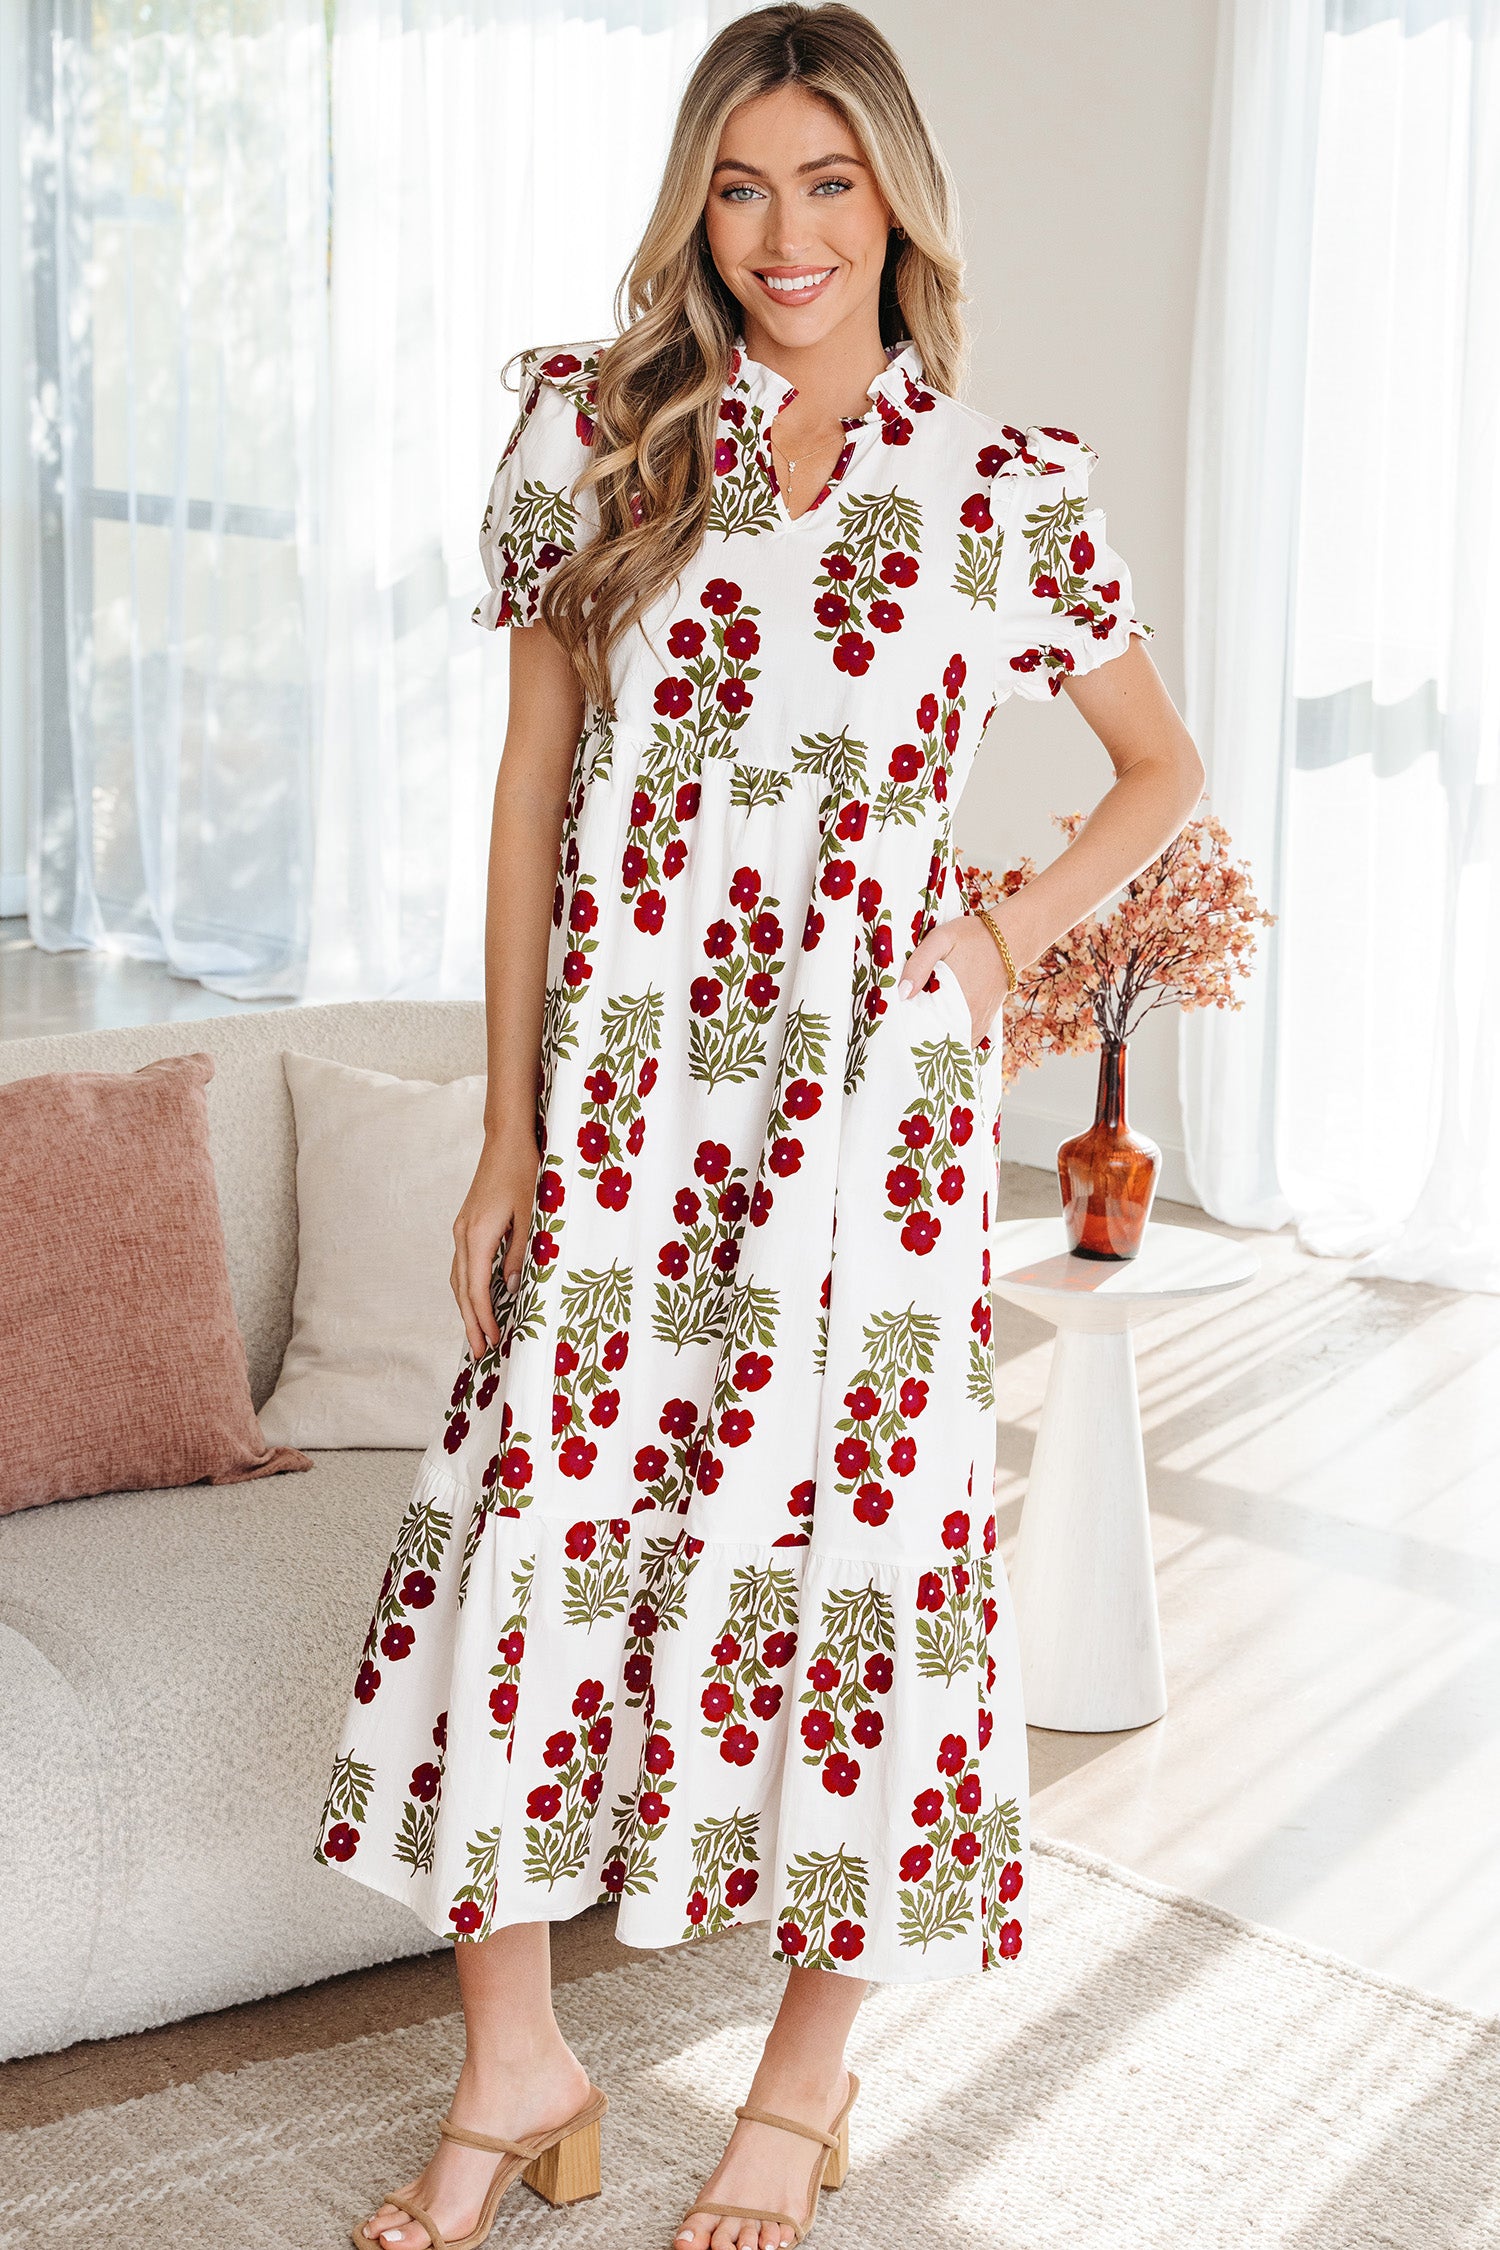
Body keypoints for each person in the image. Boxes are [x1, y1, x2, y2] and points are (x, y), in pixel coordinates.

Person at [320, 6, 1205, 2246]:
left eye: (827, 180)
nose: (786, 231)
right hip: (624, 1097)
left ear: (896, 194)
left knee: (865, 1560)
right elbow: (534, 789)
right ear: (693, 203)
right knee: (541, 1515)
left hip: (866, 1125)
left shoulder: (1004, 492)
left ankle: (806, 2083)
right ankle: (514, 2058)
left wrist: (1004, 941)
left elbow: (1159, 770)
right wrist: (511, 1126)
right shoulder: (589, 429)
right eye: (741, 182)